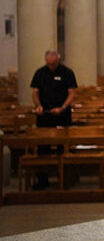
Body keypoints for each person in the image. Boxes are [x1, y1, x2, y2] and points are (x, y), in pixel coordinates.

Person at [30, 50, 77, 189]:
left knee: (62, 147)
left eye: (54, 64)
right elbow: (35, 92)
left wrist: (62, 107)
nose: (51, 67)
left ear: (58, 60)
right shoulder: (40, 72)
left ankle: (64, 179)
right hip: (45, 115)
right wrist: (38, 105)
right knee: (43, 147)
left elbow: (72, 92)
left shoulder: (67, 72)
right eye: (49, 64)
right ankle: (42, 180)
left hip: (62, 115)